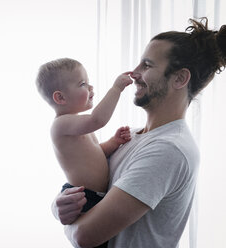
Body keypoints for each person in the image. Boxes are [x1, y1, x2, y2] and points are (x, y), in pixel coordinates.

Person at [51, 18, 226, 248]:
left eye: (147, 65)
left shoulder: (169, 150)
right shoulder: (130, 137)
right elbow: (87, 181)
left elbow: (84, 236)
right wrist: (59, 206)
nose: (133, 73)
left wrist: (69, 224)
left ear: (180, 78)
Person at [36, 58, 132, 247]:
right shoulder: (61, 124)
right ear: (60, 98)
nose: (91, 87)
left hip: (94, 196)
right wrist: (116, 89)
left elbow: (95, 155)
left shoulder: (75, 125)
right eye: (82, 84)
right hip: (83, 197)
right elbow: (98, 119)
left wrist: (113, 142)